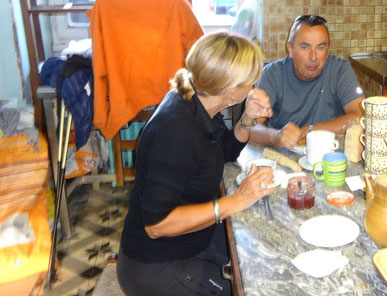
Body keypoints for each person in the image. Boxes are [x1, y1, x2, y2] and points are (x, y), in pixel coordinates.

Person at [117, 32, 276, 296]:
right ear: (230, 90)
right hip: (156, 265)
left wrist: (247, 117)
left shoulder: (195, 101)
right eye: (250, 81)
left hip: (190, 241)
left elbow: (223, 150)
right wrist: (235, 201)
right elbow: (156, 225)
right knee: (249, 287)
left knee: (256, 256)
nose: (253, 86)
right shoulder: (175, 131)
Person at [249, 15, 364, 149]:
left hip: (330, 155)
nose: (313, 57)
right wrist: (276, 136)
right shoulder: (271, 74)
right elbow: (251, 128)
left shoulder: (340, 70)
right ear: (290, 49)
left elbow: (359, 117)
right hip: (284, 156)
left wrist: (311, 130)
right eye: (305, 47)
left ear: (327, 50)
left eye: (320, 47)